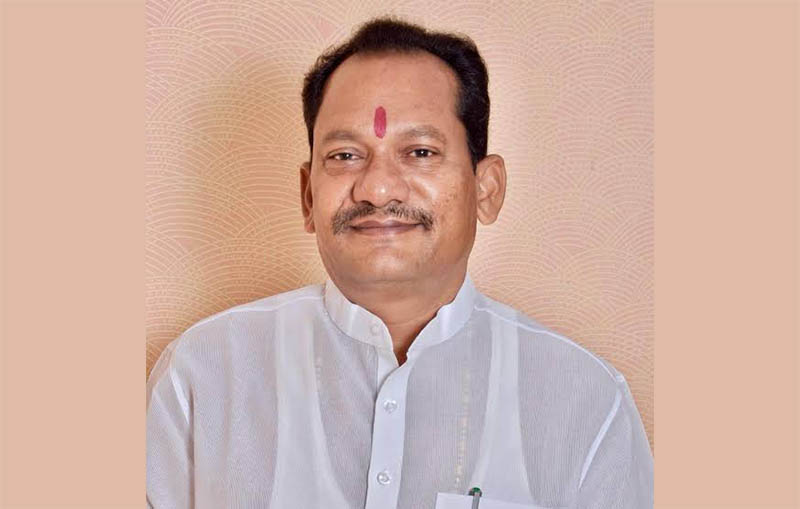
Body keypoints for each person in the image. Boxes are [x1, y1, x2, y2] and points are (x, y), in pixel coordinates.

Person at [146, 17, 653, 509]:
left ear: (486, 189)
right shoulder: (201, 376)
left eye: (420, 152)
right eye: (345, 156)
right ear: (308, 196)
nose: (378, 188)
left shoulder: (585, 402)